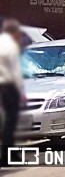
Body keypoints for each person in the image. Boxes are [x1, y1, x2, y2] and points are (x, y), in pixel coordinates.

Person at [0, 18, 24, 166]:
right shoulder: (11, 46)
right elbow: (16, 71)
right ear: (14, 32)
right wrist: (21, 90)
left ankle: (11, 153)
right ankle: (8, 155)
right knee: (10, 121)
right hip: (9, 86)